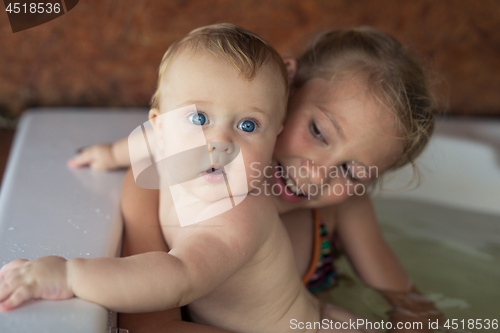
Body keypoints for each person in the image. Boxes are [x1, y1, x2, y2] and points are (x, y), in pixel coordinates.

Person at [0, 24, 372, 333]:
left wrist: (70, 276)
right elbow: (147, 140)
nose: (220, 141)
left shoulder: (236, 216)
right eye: (198, 118)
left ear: (275, 134)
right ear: (161, 127)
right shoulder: (170, 144)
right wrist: (110, 154)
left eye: (248, 125)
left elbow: (177, 277)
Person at [67, 26, 441, 333]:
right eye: (318, 131)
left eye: (352, 172)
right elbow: (151, 325)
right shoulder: (159, 186)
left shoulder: (345, 207)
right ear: (288, 84)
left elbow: (408, 302)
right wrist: (111, 153)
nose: (319, 172)